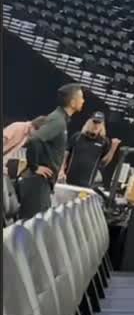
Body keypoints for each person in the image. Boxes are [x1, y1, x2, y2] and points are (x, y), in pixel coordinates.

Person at [19, 85, 85, 220]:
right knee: (32, 228)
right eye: (81, 97)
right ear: (72, 102)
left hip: (42, 183)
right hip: (37, 183)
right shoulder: (58, 120)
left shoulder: (60, 119)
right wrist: (35, 166)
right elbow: (34, 139)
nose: (83, 101)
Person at [64, 113, 118, 188]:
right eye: (94, 122)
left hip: (87, 183)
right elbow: (65, 154)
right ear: (89, 122)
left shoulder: (104, 142)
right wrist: (61, 171)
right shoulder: (77, 137)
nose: (96, 125)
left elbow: (103, 163)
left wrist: (113, 148)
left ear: (102, 125)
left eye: (99, 123)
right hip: (68, 180)